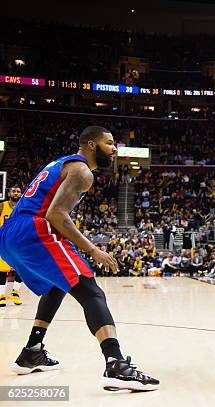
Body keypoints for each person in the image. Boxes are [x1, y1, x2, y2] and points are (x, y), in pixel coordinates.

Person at [0, 126, 158, 391]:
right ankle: (116, 364)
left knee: (56, 285)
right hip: (33, 230)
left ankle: (32, 351)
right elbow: (56, 215)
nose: (115, 149)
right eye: (109, 143)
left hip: (9, 234)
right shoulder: (82, 171)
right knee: (90, 290)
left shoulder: (61, 163)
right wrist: (93, 249)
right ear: (91, 145)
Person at [0, 186, 24, 306]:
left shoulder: (23, 207)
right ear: (9, 193)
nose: (16, 193)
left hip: (19, 243)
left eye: (18, 191)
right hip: (3, 242)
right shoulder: (2, 206)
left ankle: (15, 292)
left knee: (20, 269)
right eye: (13, 191)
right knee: (2, 270)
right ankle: (1, 296)